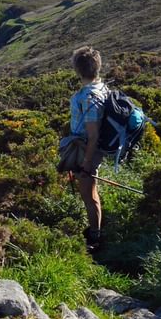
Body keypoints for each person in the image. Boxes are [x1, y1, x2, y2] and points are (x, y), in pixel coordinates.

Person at [68, 45, 107, 251]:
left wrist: (85, 163)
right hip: (87, 150)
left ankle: (94, 238)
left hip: (87, 152)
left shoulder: (88, 97)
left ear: (78, 70)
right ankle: (95, 230)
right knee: (90, 192)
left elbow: (93, 135)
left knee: (88, 194)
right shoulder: (101, 88)